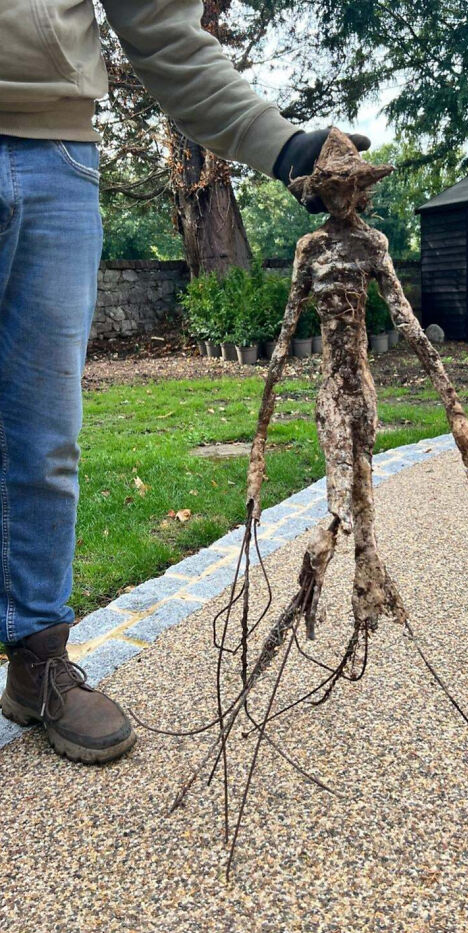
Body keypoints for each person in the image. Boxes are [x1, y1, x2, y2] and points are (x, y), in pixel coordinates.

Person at [0, 0, 369, 765]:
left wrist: (287, 145)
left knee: (44, 436)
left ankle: (37, 661)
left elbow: (166, 31)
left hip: (56, 154)